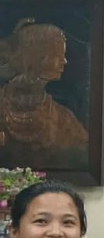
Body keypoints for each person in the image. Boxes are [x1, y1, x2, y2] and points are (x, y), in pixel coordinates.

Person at [0, 21, 88, 170]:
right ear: (35, 57)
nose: (64, 61)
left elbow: (82, 156)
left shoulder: (64, 119)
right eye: (56, 55)